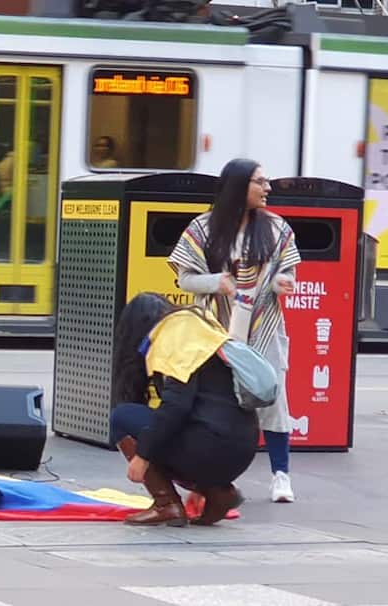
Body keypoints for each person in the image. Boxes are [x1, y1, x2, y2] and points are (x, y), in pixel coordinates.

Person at [168, 158, 300, 503]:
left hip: (264, 328)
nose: (267, 188)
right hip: (214, 331)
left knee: (272, 396)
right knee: (214, 401)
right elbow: (185, 279)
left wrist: (283, 282)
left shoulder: (277, 227)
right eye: (260, 182)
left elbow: (288, 272)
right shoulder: (202, 229)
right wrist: (216, 282)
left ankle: (281, 475)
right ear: (239, 187)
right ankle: (208, 480)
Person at [109, 293, 260, 526]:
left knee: (122, 417)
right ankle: (218, 493)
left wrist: (142, 456)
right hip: (243, 448)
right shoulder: (201, 327)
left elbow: (176, 406)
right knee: (164, 428)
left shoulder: (171, 335)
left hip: (210, 447)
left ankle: (166, 503)